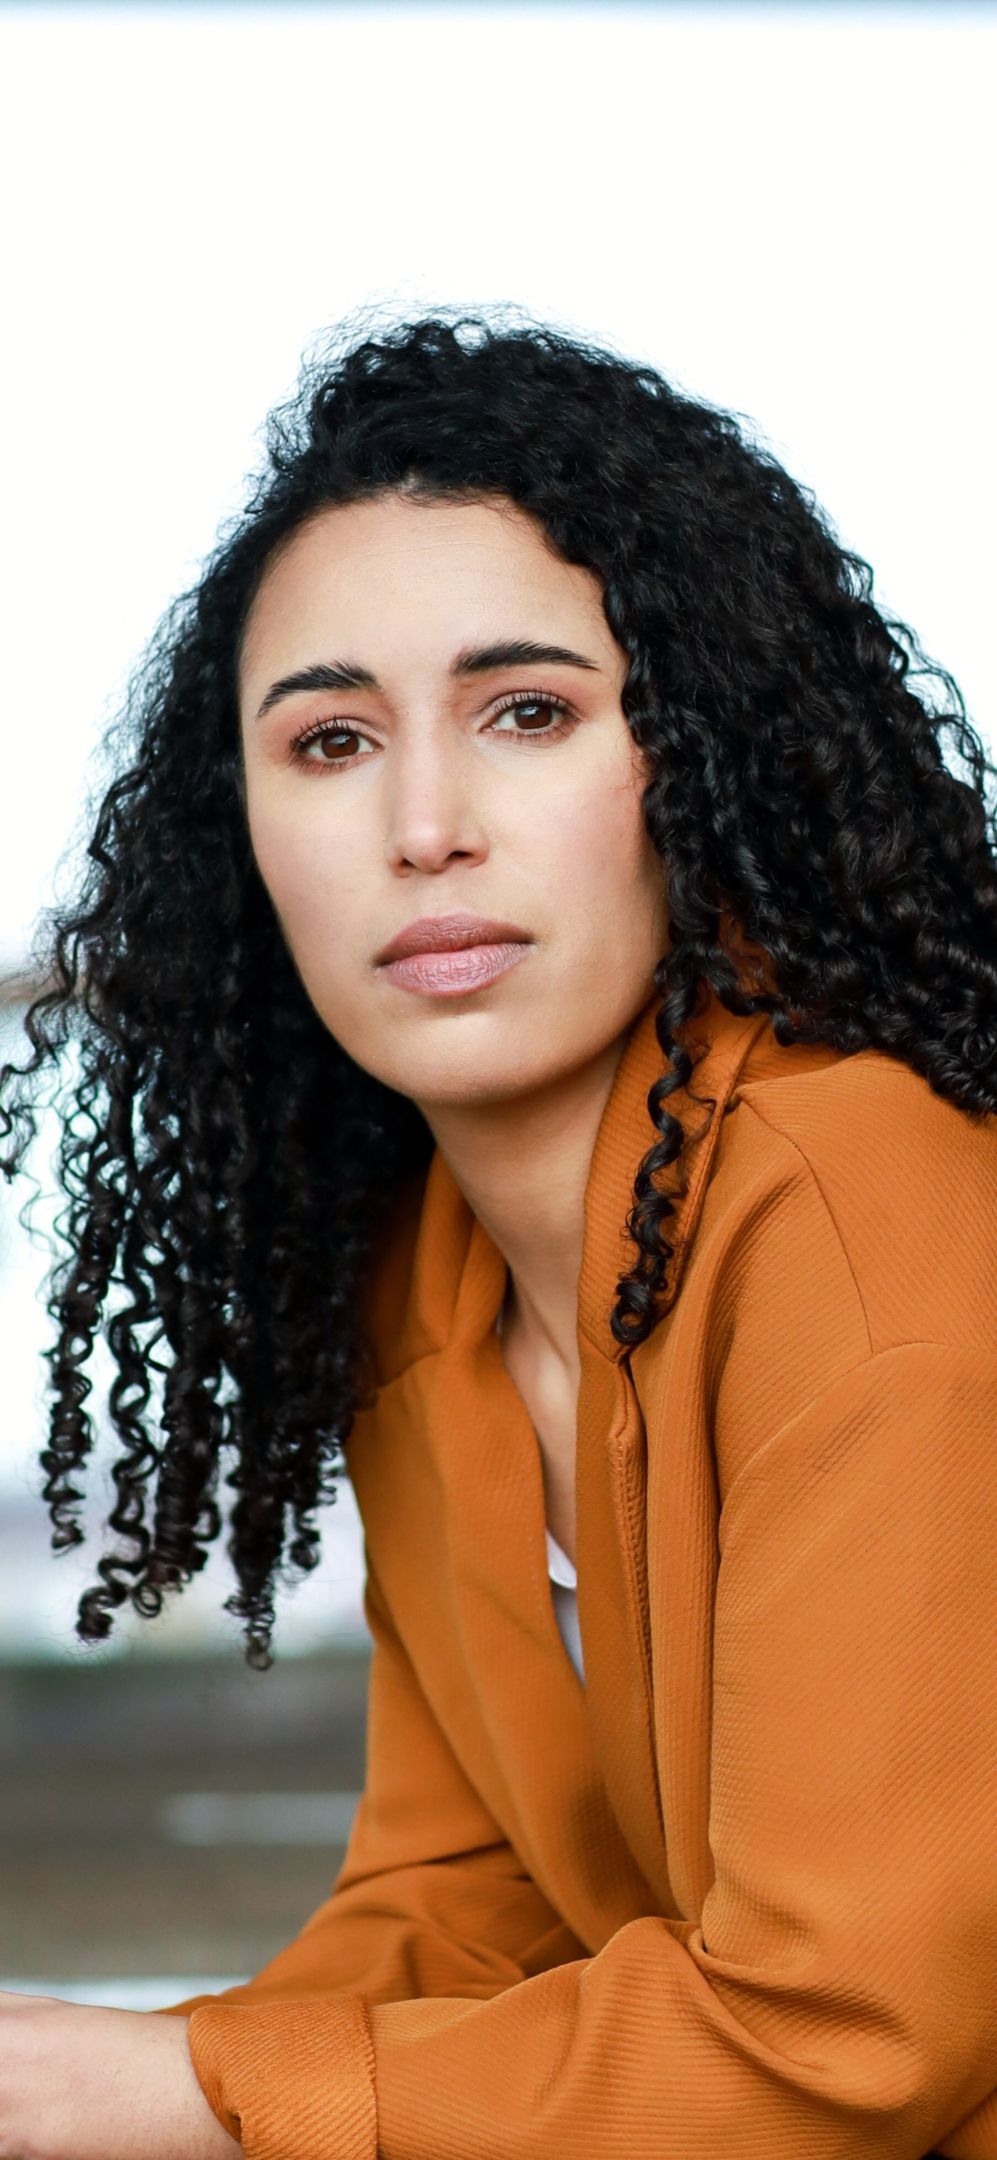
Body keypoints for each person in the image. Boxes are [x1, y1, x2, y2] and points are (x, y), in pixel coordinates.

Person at [1, 301, 996, 2160]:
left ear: (698, 756)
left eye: (527, 713)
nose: (424, 826)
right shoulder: (426, 1275)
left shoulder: (866, 1210)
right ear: (244, 837)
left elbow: (853, 2038)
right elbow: (470, 1910)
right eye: (328, 742)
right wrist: (80, 2080)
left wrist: (180, 2091)